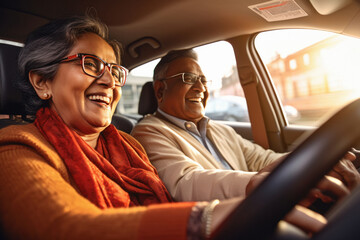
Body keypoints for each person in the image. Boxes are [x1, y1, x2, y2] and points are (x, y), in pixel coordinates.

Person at [0, 15, 328, 240]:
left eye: (115, 71)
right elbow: (63, 229)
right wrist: (205, 220)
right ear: (43, 82)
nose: (108, 80)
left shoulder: (129, 147)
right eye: (90, 64)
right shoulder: (16, 147)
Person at [131, 48, 360, 203]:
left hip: (262, 205)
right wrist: (265, 183)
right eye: (189, 78)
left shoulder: (220, 129)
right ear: (160, 90)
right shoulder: (148, 132)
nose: (201, 88)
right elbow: (186, 183)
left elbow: (262, 159)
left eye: (203, 80)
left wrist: (314, 165)